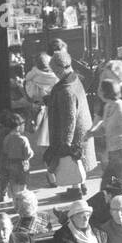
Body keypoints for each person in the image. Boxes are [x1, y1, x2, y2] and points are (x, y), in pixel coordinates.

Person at [45, 50, 94, 193]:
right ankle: (81, 185)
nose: (53, 73)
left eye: (53, 70)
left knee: (72, 160)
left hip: (75, 133)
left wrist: (66, 143)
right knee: (78, 161)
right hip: (82, 127)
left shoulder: (66, 90)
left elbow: (69, 118)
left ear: (58, 69)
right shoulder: (75, 80)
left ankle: (75, 189)